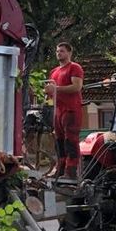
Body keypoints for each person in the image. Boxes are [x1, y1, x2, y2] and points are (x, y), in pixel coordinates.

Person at [44, 41, 84, 179]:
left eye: (62, 51)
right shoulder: (53, 72)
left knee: (70, 141)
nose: (59, 53)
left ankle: (71, 171)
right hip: (58, 110)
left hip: (71, 109)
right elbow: (50, 91)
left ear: (69, 53)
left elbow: (77, 87)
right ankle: (60, 170)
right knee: (59, 141)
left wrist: (57, 89)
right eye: (57, 51)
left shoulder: (74, 68)